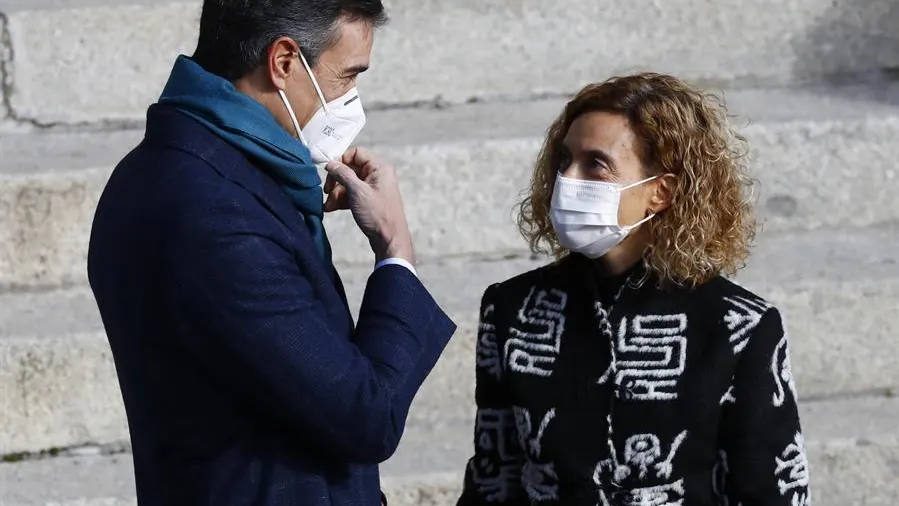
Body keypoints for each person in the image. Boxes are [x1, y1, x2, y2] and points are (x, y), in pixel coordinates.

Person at [87, 1, 456, 505]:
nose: (351, 99)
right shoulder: (212, 213)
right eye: (346, 76)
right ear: (284, 62)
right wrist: (396, 250)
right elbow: (365, 416)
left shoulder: (196, 170)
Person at [456, 73, 810, 506]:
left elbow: (770, 492)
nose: (568, 178)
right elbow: (493, 478)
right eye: (565, 159)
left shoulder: (738, 326)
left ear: (660, 192)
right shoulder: (512, 308)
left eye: (596, 165)